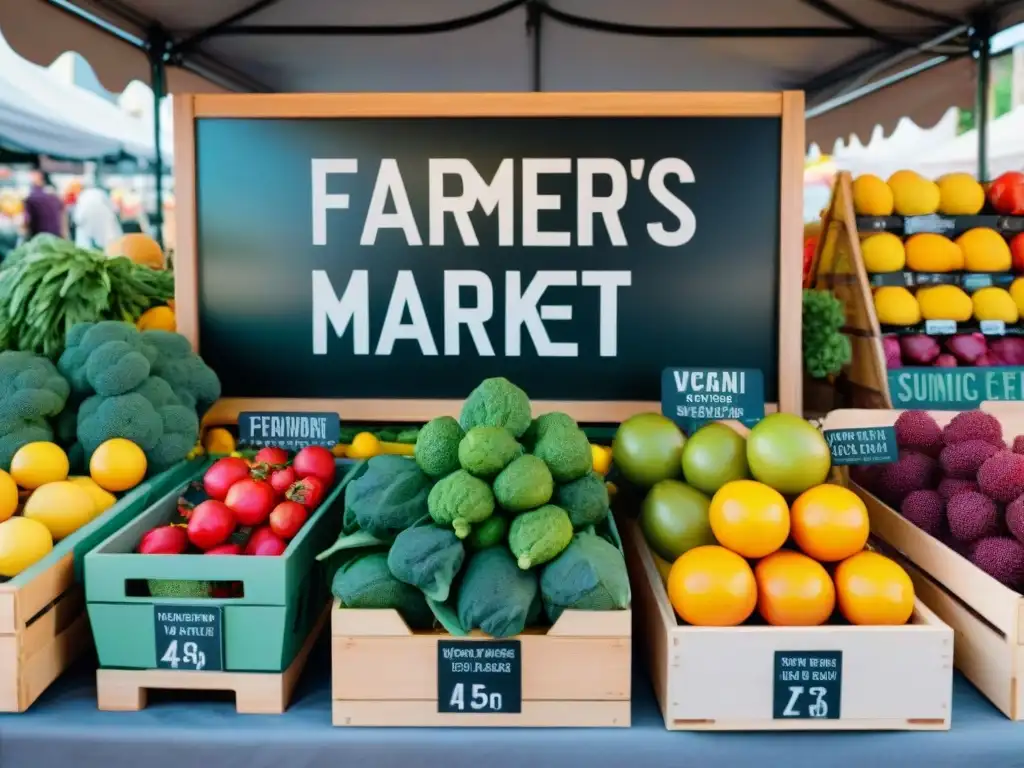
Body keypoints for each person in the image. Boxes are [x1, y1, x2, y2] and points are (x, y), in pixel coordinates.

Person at [73, 185, 122, 251]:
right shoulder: (101, 193)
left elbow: (77, 216)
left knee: (86, 242)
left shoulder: (83, 195)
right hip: (103, 216)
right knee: (108, 240)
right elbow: (115, 209)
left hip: (86, 217)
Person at [22, 171, 65, 239]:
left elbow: (27, 221)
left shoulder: (32, 198)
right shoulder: (55, 197)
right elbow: (63, 217)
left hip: (39, 238)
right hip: (55, 236)